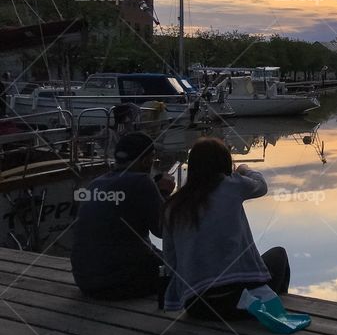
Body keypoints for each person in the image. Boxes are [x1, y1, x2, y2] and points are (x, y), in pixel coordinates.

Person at [162, 137, 289, 320]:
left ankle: (266, 306)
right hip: (237, 301)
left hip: (197, 306)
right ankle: (271, 311)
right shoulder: (233, 185)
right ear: (224, 164)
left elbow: (170, 259)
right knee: (279, 255)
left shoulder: (173, 205)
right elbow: (261, 186)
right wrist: (245, 170)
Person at [71, 132, 174, 299]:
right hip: (116, 282)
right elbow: (163, 230)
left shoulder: (95, 184)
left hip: (85, 280)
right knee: (183, 267)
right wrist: (164, 192)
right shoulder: (142, 181)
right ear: (146, 160)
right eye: (153, 159)